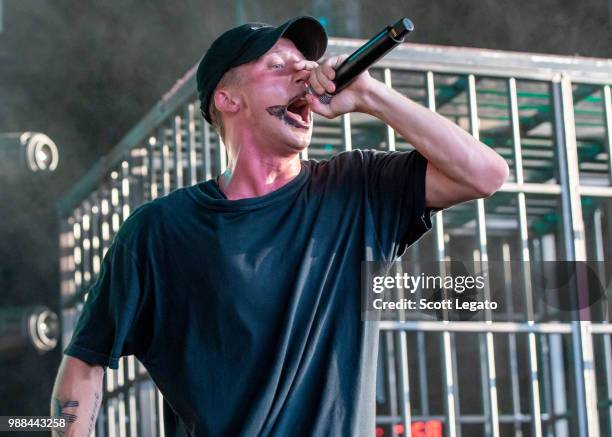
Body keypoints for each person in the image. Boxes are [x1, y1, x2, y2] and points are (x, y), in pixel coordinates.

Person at [51, 16, 508, 437]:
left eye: (305, 65)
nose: (303, 77)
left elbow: (485, 174)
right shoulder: (161, 230)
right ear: (227, 99)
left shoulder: (357, 189)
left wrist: (370, 95)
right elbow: (84, 365)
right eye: (277, 65)